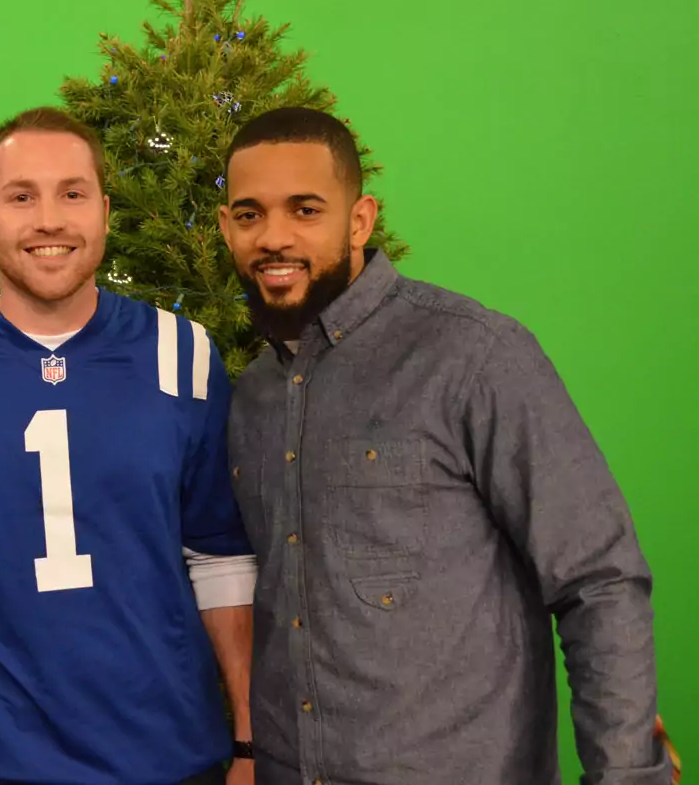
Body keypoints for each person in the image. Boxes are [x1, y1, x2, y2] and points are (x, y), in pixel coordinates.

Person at [218, 106, 672, 785]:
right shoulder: (252, 393)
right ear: (226, 227)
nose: (274, 237)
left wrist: (628, 774)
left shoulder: (473, 355)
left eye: (305, 210)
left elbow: (600, 580)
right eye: (250, 214)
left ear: (360, 220)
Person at [0, 107, 257, 785]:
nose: (48, 220)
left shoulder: (182, 354)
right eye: (21, 197)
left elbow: (219, 554)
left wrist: (247, 740)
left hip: (163, 756)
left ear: (105, 211)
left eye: (72, 193)